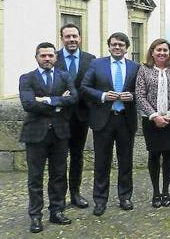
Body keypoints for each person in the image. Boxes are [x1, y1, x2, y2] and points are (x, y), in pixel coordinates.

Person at [19, 42, 78, 233]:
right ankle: (35, 216)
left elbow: (74, 98)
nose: (47, 59)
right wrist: (59, 102)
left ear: (55, 57)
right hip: (35, 135)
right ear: (36, 57)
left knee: (59, 175)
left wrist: (47, 100)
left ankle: (57, 211)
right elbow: (28, 104)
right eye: (43, 55)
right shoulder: (27, 78)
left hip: (60, 134)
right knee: (35, 178)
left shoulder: (64, 76)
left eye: (50, 56)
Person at [81, 32, 139, 216]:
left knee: (126, 162)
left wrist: (134, 96)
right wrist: (103, 96)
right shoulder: (97, 64)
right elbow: (84, 87)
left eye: (121, 45)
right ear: (109, 46)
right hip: (103, 121)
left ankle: (125, 197)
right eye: (114, 44)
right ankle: (100, 199)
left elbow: (143, 90)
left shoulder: (135, 67)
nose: (117, 47)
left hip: (125, 119)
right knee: (101, 162)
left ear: (126, 48)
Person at [135, 38, 170, 208]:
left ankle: (166, 191)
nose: (162, 53)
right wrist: (154, 115)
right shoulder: (144, 69)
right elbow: (140, 94)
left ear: (169, 53)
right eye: (159, 50)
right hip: (151, 120)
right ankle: (156, 192)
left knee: (169, 155)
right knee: (154, 155)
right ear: (152, 52)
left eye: (165, 50)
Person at [54, 24, 95, 209]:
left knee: (77, 157)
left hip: (81, 117)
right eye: (68, 36)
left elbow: (93, 86)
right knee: (59, 158)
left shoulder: (90, 59)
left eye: (75, 36)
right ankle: (58, 197)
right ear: (62, 38)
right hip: (59, 118)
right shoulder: (52, 57)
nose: (72, 39)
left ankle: (75, 194)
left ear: (80, 37)